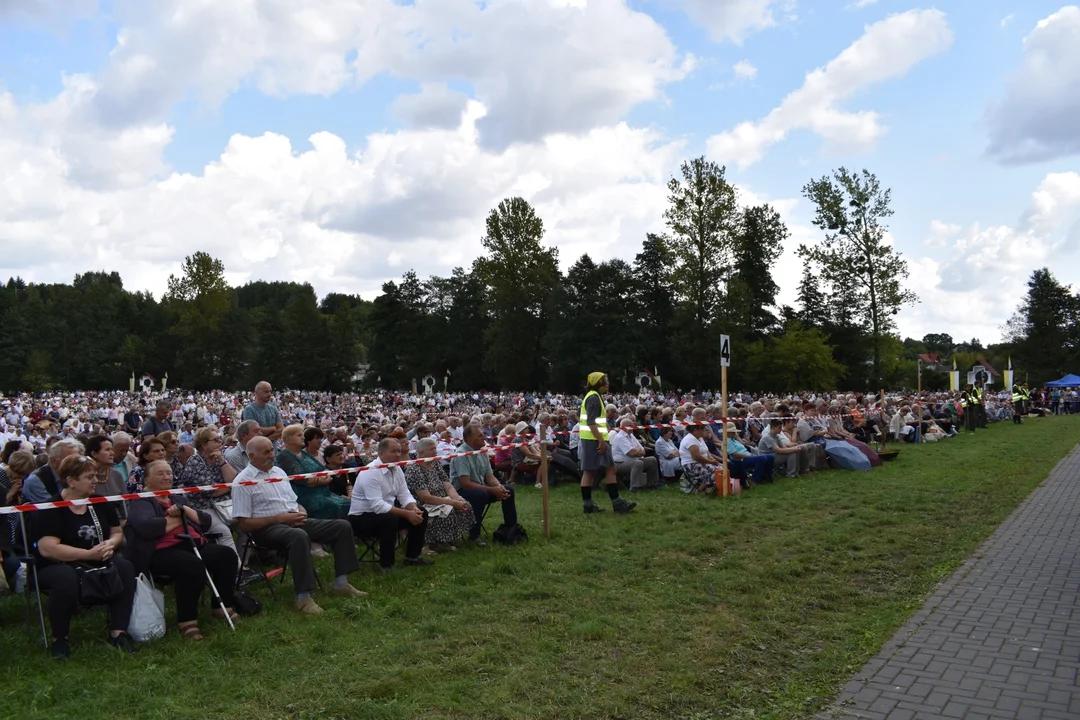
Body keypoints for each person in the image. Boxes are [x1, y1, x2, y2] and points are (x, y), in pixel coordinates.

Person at [231, 437, 365, 615]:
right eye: (266, 452)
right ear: (251, 456)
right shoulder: (242, 481)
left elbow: (292, 501)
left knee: (341, 526)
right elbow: (245, 525)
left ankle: (341, 583)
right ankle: (303, 598)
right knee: (298, 536)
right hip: (266, 529)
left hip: (293, 520)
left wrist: (299, 510)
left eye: (272, 450)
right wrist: (278, 518)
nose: (272, 455)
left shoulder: (279, 472)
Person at [33, 454, 138, 658]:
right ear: (71, 481)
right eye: (89, 477)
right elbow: (48, 548)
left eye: (95, 476)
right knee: (64, 578)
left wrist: (110, 544)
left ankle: (119, 632)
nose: (95, 481)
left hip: (99, 556)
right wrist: (89, 554)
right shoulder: (51, 508)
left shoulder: (99, 502)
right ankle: (60, 639)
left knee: (125, 568)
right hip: (60, 563)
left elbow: (116, 532)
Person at [124, 460, 239, 640]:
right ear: (147, 480)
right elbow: (147, 527)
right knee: (191, 565)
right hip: (161, 551)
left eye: (169, 473)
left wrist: (183, 509)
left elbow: (205, 520)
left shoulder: (177, 497)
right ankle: (187, 621)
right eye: (160, 473)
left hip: (193, 544)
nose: (167, 477)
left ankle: (221, 606)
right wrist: (181, 518)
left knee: (226, 555)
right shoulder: (142, 500)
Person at [349, 437, 432, 569]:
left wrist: (414, 508)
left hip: (385, 514)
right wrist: (407, 514)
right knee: (390, 519)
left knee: (422, 512)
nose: (398, 455)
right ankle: (386, 565)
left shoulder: (396, 469)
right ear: (381, 453)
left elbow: (404, 494)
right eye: (394, 451)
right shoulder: (370, 472)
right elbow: (377, 505)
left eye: (399, 451)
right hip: (361, 517)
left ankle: (413, 556)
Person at [449, 424, 520, 546]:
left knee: (508, 490)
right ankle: (474, 535)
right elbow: (465, 484)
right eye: (480, 435)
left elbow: (489, 476)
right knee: (480, 495)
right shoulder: (461, 455)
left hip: (479, 488)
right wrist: (492, 490)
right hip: (460, 492)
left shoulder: (482, 451)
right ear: (471, 440)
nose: (484, 437)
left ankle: (511, 529)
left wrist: (499, 487)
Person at [577, 373, 636, 514]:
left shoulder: (591, 396)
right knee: (608, 469)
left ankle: (589, 505)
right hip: (595, 440)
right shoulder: (594, 398)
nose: (608, 384)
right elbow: (591, 422)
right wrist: (601, 440)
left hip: (590, 439)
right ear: (599, 383)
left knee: (592, 471)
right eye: (606, 381)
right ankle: (617, 503)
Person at [175, 426, 239, 557]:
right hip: (202, 507)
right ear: (204, 445)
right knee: (223, 531)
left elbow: (233, 479)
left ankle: (245, 559)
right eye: (216, 439)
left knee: (244, 525)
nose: (220, 441)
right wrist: (230, 485)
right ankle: (237, 569)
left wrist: (222, 461)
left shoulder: (219, 457)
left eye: (220, 438)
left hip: (224, 503)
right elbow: (209, 491)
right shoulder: (195, 461)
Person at [404, 438, 475, 554]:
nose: (435, 451)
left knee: (465, 505)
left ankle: (449, 538)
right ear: (421, 453)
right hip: (424, 503)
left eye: (435, 448)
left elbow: (448, 485)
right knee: (448, 511)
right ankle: (436, 542)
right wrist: (452, 503)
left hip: (442, 498)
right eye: (431, 449)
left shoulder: (435, 463)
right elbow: (425, 497)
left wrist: (457, 499)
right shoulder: (414, 470)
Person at [22, 438, 83, 503]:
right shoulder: (36, 480)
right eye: (70, 460)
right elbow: (52, 508)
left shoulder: (77, 475)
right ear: (54, 461)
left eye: (78, 460)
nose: (77, 464)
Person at [611, 418, 663, 491]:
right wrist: (637, 451)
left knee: (652, 460)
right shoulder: (620, 437)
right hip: (619, 463)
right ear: (623, 426)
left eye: (633, 425)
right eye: (630, 425)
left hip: (633, 459)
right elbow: (631, 453)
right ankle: (635, 487)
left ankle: (651, 483)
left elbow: (643, 450)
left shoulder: (631, 435)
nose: (632, 427)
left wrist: (637, 451)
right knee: (638, 463)